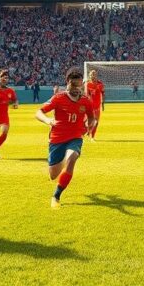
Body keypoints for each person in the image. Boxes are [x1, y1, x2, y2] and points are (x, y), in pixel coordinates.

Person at [35, 66, 95, 208]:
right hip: (57, 139)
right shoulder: (58, 98)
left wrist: (90, 125)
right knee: (53, 175)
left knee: (72, 157)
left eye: (79, 85)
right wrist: (48, 120)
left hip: (75, 137)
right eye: (74, 85)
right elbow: (38, 112)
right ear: (68, 82)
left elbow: (91, 117)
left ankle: (56, 196)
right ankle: (61, 162)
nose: (77, 89)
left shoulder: (85, 101)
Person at [86, 68, 105, 139]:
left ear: (96, 76)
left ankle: (92, 136)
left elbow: (103, 94)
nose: (93, 76)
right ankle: (88, 132)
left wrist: (102, 104)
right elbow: (86, 95)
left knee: (96, 122)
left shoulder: (100, 84)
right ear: (89, 76)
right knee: (91, 121)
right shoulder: (87, 84)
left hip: (97, 105)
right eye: (91, 75)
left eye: (94, 75)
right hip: (90, 106)